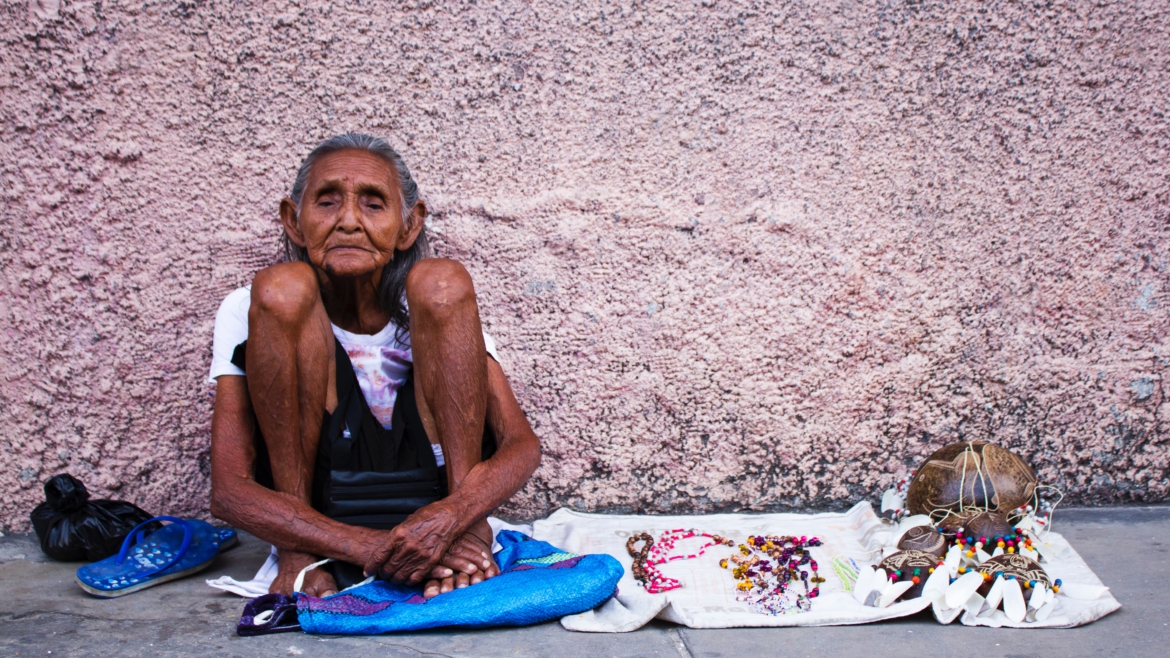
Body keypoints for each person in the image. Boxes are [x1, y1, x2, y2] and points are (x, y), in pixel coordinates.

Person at [208, 133, 541, 599]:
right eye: (326, 203)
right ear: (293, 220)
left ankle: (466, 532)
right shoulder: (251, 307)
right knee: (281, 287)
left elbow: (520, 445)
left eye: (373, 204)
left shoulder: (432, 304)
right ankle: (298, 552)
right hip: (318, 512)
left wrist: (456, 518)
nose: (348, 222)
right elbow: (229, 490)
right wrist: (372, 549)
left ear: (409, 225)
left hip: (437, 503)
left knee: (442, 278)